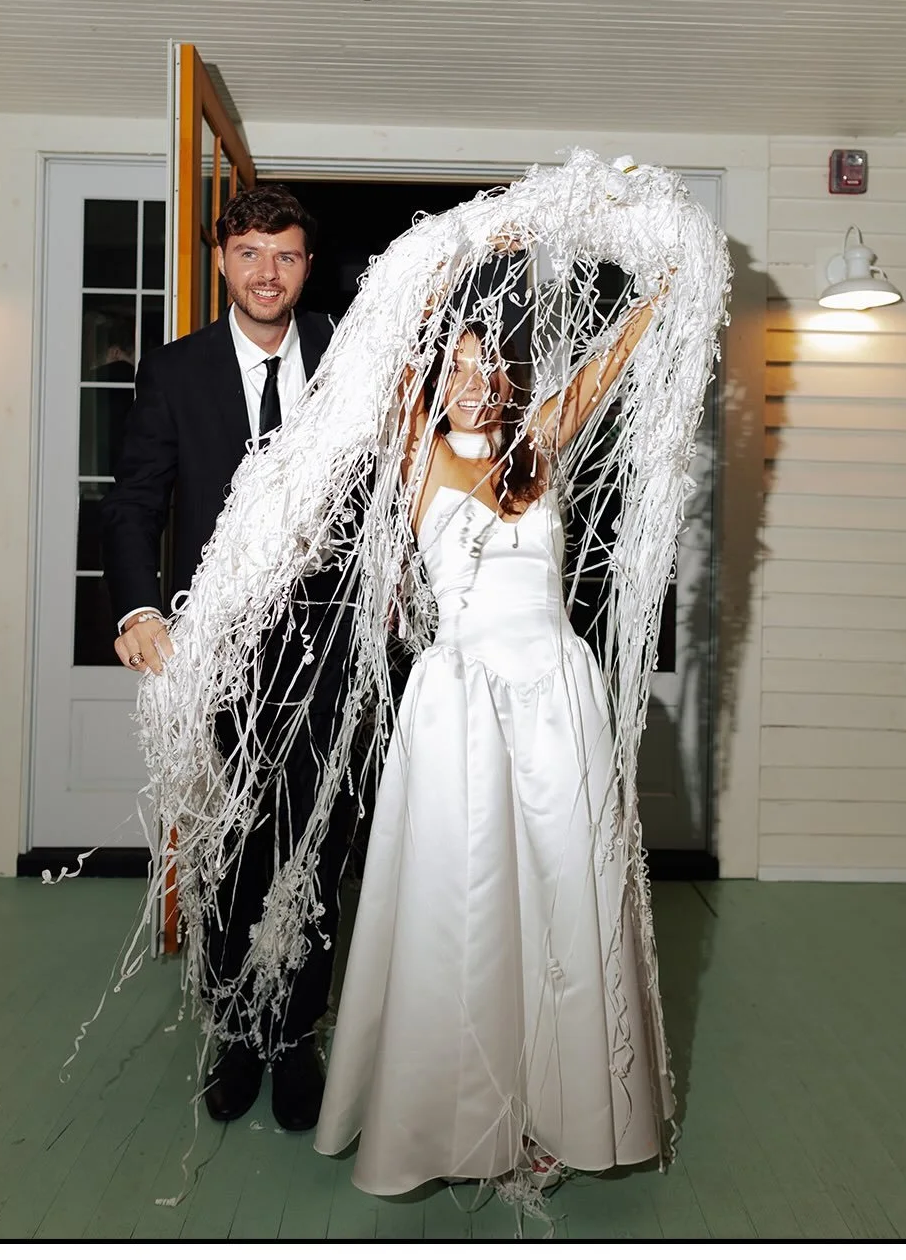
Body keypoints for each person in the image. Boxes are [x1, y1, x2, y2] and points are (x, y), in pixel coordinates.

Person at [312, 296, 676, 1195]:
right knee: (464, 905)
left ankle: (562, 1110)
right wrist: (466, 257)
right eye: (459, 367)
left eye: (491, 366)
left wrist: (667, 282)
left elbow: (603, 369)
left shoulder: (538, 444)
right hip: (463, 701)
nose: (477, 385)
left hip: (557, 693)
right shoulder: (416, 451)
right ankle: (462, 1119)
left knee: (561, 895)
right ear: (436, 377)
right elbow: (394, 345)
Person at [101, 183, 351, 1133]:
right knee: (232, 855)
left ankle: (296, 1043)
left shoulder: (342, 356)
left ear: (305, 266)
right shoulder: (175, 371)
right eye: (249, 254)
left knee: (317, 849)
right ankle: (238, 1036)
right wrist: (135, 607)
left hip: (330, 652)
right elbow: (133, 503)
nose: (267, 273)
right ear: (221, 261)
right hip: (218, 658)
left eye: (285, 255)